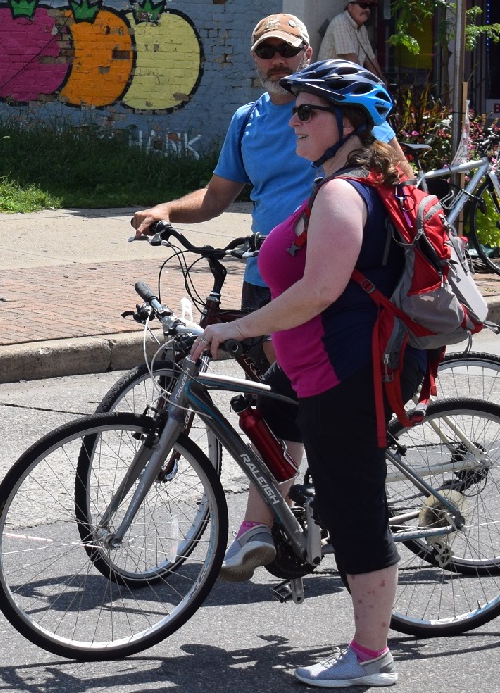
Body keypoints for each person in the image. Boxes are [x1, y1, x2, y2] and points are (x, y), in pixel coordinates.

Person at [196, 59, 420, 688]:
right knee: (269, 422)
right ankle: (270, 527)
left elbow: (320, 290)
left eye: (306, 112)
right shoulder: (341, 184)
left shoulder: (345, 194)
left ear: (348, 124)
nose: (292, 120)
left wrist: (237, 328)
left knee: (355, 511)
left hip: (345, 373)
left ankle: (371, 657)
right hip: (317, 367)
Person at [132, 13, 319, 315]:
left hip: (323, 276)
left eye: (287, 50)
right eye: (266, 52)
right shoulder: (246, 120)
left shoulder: (339, 110)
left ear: (307, 53)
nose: (277, 60)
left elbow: (391, 174)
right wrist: (166, 211)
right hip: (264, 275)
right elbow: (216, 196)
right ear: (255, 58)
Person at [318, 0, 384, 81]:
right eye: (363, 5)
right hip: (328, 82)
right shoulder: (341, 23)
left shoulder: (362, 28)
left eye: (370, 7)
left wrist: (382, 81)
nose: (367, 9)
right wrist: (368, 82)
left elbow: (371, 59)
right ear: (350, 7)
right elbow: (352, 62)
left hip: (345, 80)